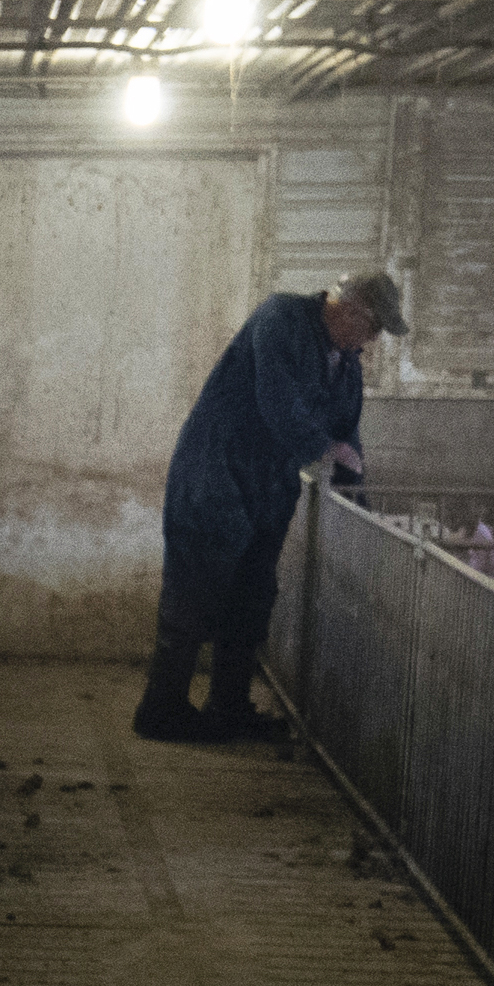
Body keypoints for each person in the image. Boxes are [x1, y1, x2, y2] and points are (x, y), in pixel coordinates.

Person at [135, 268, 402, 744]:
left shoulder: (347, 360)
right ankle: (162, 709)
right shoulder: (281, 318)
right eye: (372, 326)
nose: (373, 339)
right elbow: (277, 400)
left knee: (252, 594)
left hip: (268, 485)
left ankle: (228, 709)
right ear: (348, 308)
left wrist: (356, 491)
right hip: (214, 472)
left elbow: (346, 429)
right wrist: (326, 448)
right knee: (195, 590)